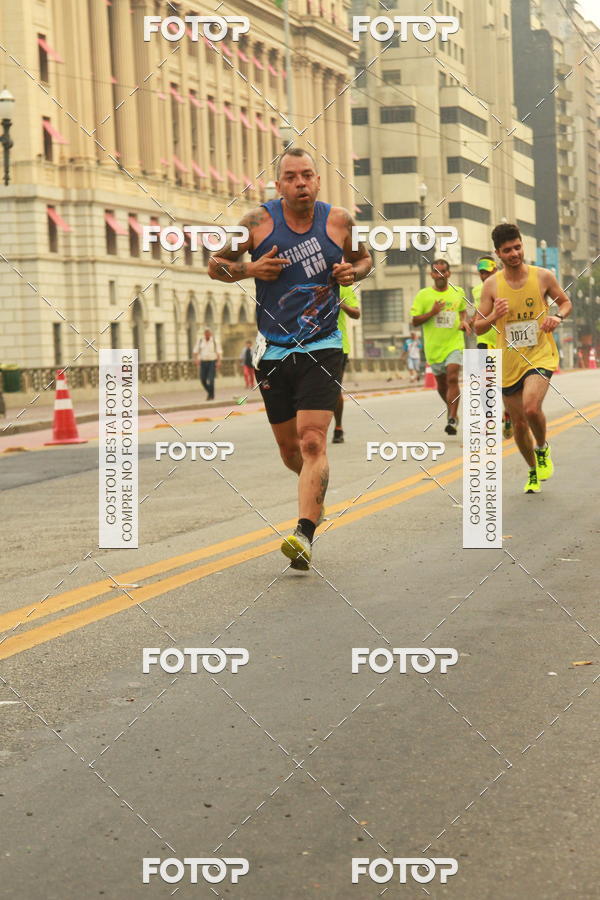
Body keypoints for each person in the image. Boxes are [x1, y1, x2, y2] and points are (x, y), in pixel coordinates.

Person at [207, 146, 372, 569]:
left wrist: (352, 273)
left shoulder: (339, 222)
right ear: (279, 185)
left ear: (318, 180)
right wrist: (250, 270)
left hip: (323, 344)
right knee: (289, 451)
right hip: (274, 350)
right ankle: (314, 496)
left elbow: (364, 260)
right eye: (292, 177)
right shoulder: (257, 223)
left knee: (312, 440)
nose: (301, 183)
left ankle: (303, 534)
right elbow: (215, 265)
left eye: (308, 175)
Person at [473, 223, 572, 494]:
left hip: (539, 353)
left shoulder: (543, 277)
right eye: (507, 250)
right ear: (498, 253)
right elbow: (477, 326)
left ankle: (542, 448)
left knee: (531, 409)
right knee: (518, 423)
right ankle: (532, 470)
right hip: (508, 361)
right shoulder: (491, 285)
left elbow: (565, 303)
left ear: (522, 245)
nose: (514, 253)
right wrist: (494, 315)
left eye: (517, 247)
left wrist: (557, 317)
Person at [410, 259, 471, 434]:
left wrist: (464, 322)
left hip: (454, 344)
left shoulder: (458, 292)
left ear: (449, 273)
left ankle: (451, 418)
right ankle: (453, 410)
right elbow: (415, 321)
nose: (440, 275)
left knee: (452, 377)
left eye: (443, 271)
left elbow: (462, 311)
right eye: (436, 272)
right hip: (434, 348)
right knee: (442, 385)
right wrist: (432, 312)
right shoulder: (423, 295)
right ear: (431, 274)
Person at [471, 255, 513, 439]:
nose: (484, 276)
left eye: (487, 272)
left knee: (505, 382)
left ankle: (507, 414)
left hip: (504, 340)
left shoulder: (506, 286)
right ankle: (490, 419)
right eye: (481, 273)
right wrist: (471, 321)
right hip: (485, 341)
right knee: (486, 382)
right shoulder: (477, 290)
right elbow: (479, 312)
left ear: (495, 270)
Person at [332, 284, 361, 444]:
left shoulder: (343, 287)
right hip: (309, 346)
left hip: (338, 346)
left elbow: (356, 313)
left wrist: (340, 304)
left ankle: (338, 427)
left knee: (334, 389)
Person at [193, 327, 222, 401]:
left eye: (208, 333)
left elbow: (219, 352)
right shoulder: (200, 341)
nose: (207, 334)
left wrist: (219, 361)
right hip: (203, 362)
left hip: (212, 361)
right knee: (202, 379)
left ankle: (210, 395)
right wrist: (196, 359)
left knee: (211, 380)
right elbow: (195, 351)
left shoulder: (215, 341)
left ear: (210, 334)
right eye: (206, 333)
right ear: (204, 334)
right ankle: (210, 393)